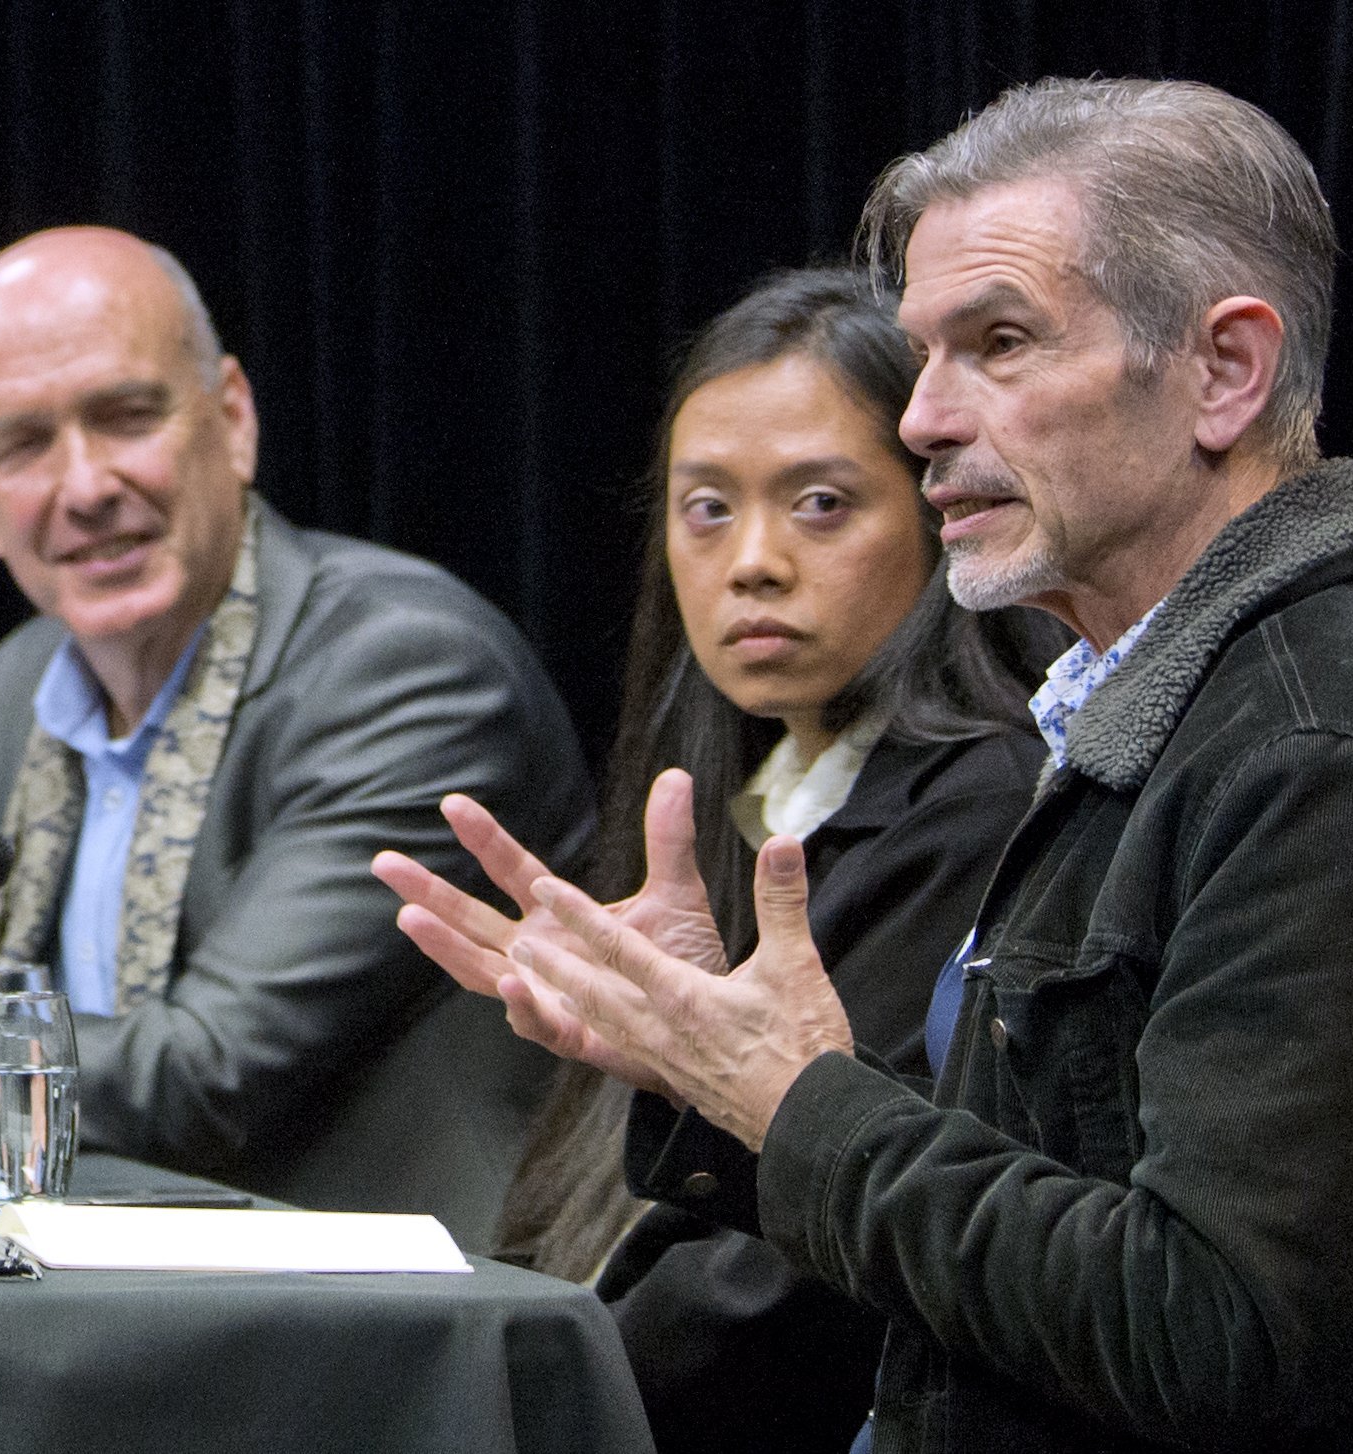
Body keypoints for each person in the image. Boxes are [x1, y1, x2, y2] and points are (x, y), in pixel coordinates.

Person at [381, 79, 1353, 1451]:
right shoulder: (1155, 712)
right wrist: (711, 1068)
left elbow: (1212, 1331)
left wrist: (797, 1100)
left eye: (999, 343)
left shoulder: (1327, 755)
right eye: (926, 354)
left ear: (1225, 370)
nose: (924, 416)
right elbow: (1033, 1222)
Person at [0, 226, 590, 1245]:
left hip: (399, 1282)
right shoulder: (23, 685)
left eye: (127, 418)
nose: (86, 486)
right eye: (25, 444)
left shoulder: (406, 668)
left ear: (232, 419)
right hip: (110, 1264)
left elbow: (208, 1070)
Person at [407, 266, 1056, 1454]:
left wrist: (509, 1403)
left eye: (820, 503)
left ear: (934, 512)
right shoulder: (724, 799)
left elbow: (790, 1278)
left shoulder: (982, 804)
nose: (752, 559)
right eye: (706, 508)